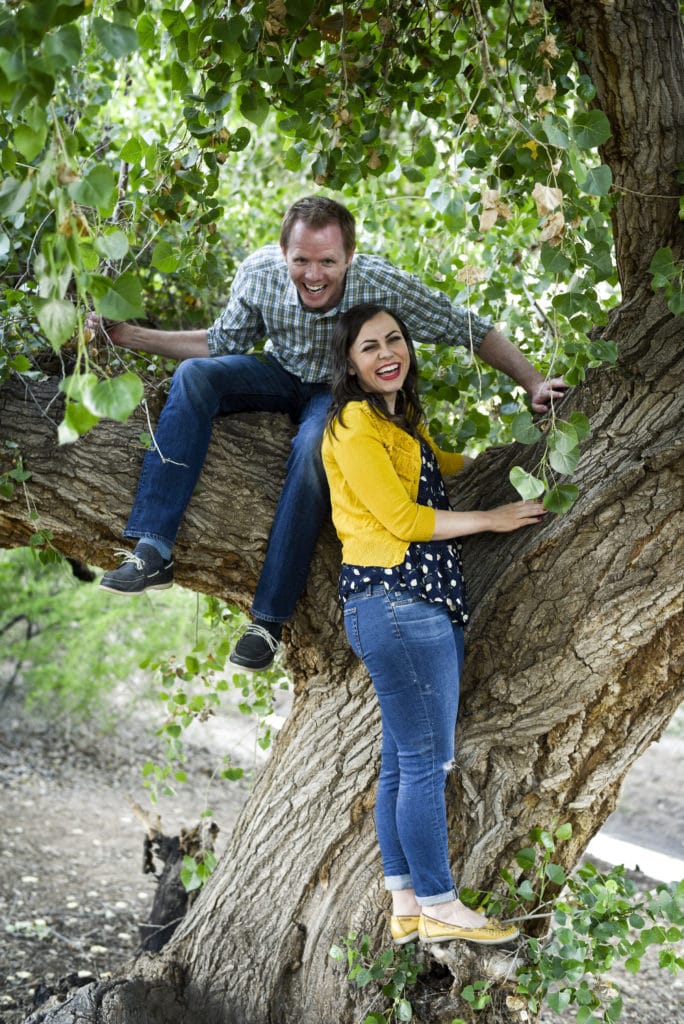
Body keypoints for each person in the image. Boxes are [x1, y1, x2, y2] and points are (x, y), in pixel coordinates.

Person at [91, 196, 566, 673]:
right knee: (195, 375)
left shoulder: (380, 284)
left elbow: (469, 327)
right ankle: (153, 549)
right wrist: (128, 335)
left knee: (314, 449)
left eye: (327, 262)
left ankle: (267, 621)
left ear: (350, 257)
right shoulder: (259, 274)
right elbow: (220, 343)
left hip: (335, 393)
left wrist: (533, 382)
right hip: (277, 372)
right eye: (301, 260)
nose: (313, 275)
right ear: (283, 254)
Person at [321, 302, 547, 945]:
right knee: (425, 765)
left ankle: (406, 902)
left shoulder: (401, 425)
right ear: (348, 362)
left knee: (401, 764)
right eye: (369, 346)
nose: (387, 352)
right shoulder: (352, 426)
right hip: (396, 602)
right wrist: (494, 520)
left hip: (417, 603)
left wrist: (511, 445)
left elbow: (447, 469)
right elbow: (403, 519)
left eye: (395, 339)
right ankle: (442, 904)